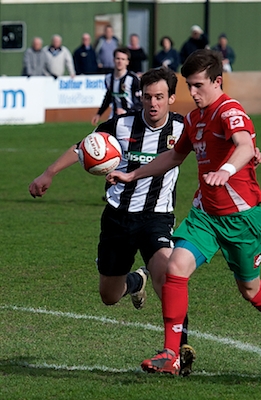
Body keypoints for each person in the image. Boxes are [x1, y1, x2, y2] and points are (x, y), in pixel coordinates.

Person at [106, 49, 261, 375]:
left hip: (241, 218)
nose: (191, 94)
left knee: (249, 289)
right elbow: (174, 157)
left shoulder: (229, 110)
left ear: (216, 81)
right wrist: (132, 174)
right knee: (176, 267)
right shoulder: (193, 119)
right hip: (205, 214)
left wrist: (228, 169)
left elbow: (245, 144)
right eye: (188, 87)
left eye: (197, 86)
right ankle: (171, 352)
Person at [28, 67, 196, 377]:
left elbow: (216, 145)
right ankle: (136, 281)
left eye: (160, 97)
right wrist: (48, 173)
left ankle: (178, 350)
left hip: (157, 217)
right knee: (109, 295)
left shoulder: (183, 127)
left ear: (171, 97)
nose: (153, 103)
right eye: (147, 97)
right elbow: (82, 147)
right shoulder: (120, 125)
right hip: (117, 217)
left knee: (169, 275)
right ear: (140, 97)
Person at [91, 47, 142, 126]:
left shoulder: (133, 79)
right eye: (118, 58)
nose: (120, 61)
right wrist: (99, 114)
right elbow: (108, 97)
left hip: (130, 117)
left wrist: (127, 111)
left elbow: (141, 102)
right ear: (113, 60)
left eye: (123, 59)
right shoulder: (108, 78)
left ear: (127, 62)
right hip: (113, 117)